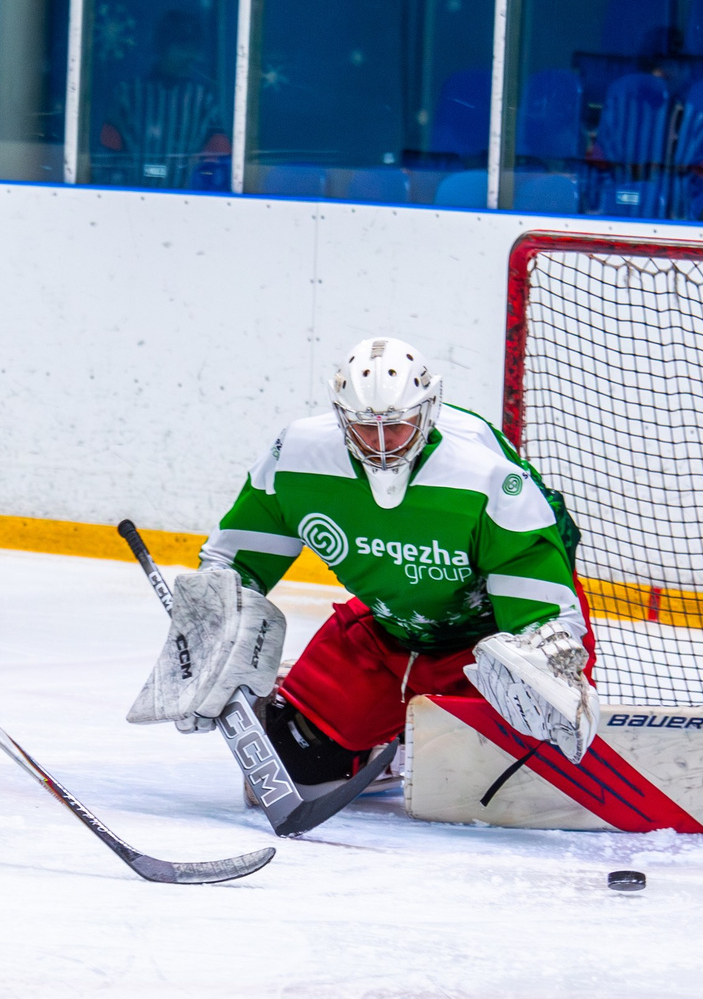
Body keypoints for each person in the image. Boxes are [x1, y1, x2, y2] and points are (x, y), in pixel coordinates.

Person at [130, 337, 596, 791]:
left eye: (398, 425)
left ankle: (434, 727)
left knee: (499, 767)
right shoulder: (297, 456)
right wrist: (212, 622)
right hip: (389, 637)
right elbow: (239, 559)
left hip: (485, 645)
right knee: (297, 762)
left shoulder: (484, 472)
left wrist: (543, 654)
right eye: (362, 427)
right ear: (340, 416)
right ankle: (376, 737)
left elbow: (537, 573)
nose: (381, 443)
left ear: (429, 410)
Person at [98, 10, 231, 189]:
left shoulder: (203, 100)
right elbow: (107, 155)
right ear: (163, 47)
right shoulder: (128, 95)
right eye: (182, 48)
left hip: (186, 201)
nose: (189, 56)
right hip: (130, 197)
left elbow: (219, 157)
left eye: (194, 49)